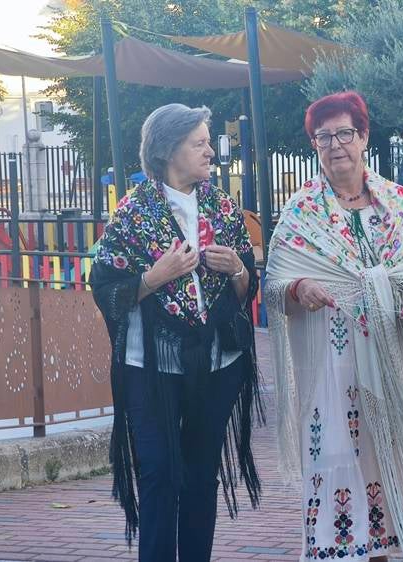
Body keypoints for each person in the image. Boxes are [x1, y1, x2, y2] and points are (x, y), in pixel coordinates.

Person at [264, 91, 403, 562]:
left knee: (399, 452)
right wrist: (299, 287)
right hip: (337, 368)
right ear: (314, 145)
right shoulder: (301, 211)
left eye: (344, 133)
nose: (335, 145)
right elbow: (275, 281)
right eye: (323, 137)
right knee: (342, 455)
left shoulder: (398, 203)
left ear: (364, 137)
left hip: (398, 361)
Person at [91, 103, 263, 562]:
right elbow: (104, 284)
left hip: (215, 361)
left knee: (201, 474)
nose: (211, 152)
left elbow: (249, 285)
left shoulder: (222, 206)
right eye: (200, 143)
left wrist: (238, 271)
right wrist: (154, 277)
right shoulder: (133, 212)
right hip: (151, 365)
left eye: (209, 141)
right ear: (169, 150)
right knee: (160, 473)